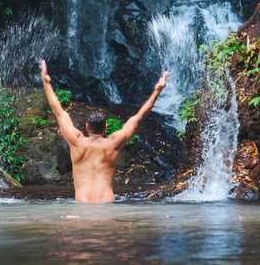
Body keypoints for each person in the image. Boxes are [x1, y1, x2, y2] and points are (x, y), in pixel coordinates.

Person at [40, 59, 168, 203]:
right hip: (107, 202)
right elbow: (137, 120)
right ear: (106, 127)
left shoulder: (76, 141)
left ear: (87, 127)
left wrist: (46, 82)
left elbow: (59, 113)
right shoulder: (113, 144)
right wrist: (157, 90)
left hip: (82, 203)